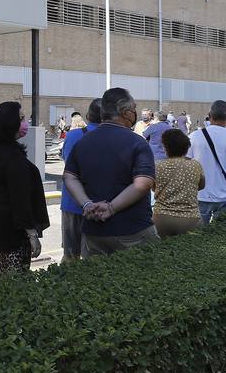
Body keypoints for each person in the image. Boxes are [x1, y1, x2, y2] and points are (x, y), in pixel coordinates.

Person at [64, 88, 158, 255]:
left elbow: (69, 176)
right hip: (132, 230)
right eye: (133, 108)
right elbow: (143, 183)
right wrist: (111, 208)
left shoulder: (83, 142)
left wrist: (87, 204)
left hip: (93, 230)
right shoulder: (137, 143)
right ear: (124, 112)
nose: (135, 113)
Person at [0, 101, 51, 274]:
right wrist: (32, 235)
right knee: (15, 282)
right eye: (21, 118)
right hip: (13, 233)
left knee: (0, 276)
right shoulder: (11, 156)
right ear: (9, 122)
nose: (25, 123)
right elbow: (20, 198)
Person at [59, 98, 102, 262]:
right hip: (100, 205)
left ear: (87, 116)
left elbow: (67, 162)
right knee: (95, 256)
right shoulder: (113, 137)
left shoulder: (74, 135)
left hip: (72, 202)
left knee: (70, 255)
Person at [152, 129, 205, 237]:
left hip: (162, 217)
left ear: (165, 148)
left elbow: (154, 188)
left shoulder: (157, 166)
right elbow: (201, 185)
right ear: (186, 147)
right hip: (190, 217)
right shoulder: (195, 165)